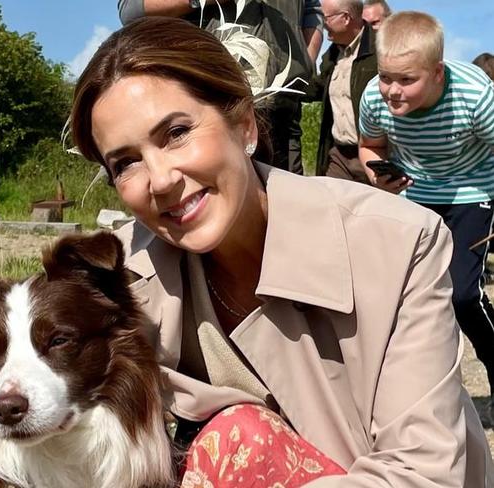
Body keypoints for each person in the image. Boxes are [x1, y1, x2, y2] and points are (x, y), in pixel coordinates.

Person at [71, 16, 493, 487]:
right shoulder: (120, 276)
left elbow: (422, 473)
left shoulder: (399, 244)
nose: (162, 179)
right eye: (126, 163)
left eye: (176, 133)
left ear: (245, 124)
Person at [359, 11, 494, 422]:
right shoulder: (373, 99)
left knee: (463, 294)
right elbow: (370, 147)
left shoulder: (476, 96)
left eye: (406, 80)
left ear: (437, 73)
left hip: (475, 190)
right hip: (414, 192)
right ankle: (422, 393)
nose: (392, 91)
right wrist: (377, 176)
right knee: (407, 298)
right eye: (386, 77)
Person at [117, 0, 323, 175]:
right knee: (228, 202)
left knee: (289, 203)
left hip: (286, 103)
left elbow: (312, 12)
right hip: (218, 101)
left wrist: (305, 63)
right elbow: (130, 9)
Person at [306, 0, 377, 183]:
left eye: (325, 17)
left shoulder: (381, 50)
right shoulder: (331, 56)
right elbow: (314, 90)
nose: (322, 24)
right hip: (338, 156)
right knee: (330, 204)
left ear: (346, 18)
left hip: (373, 155)